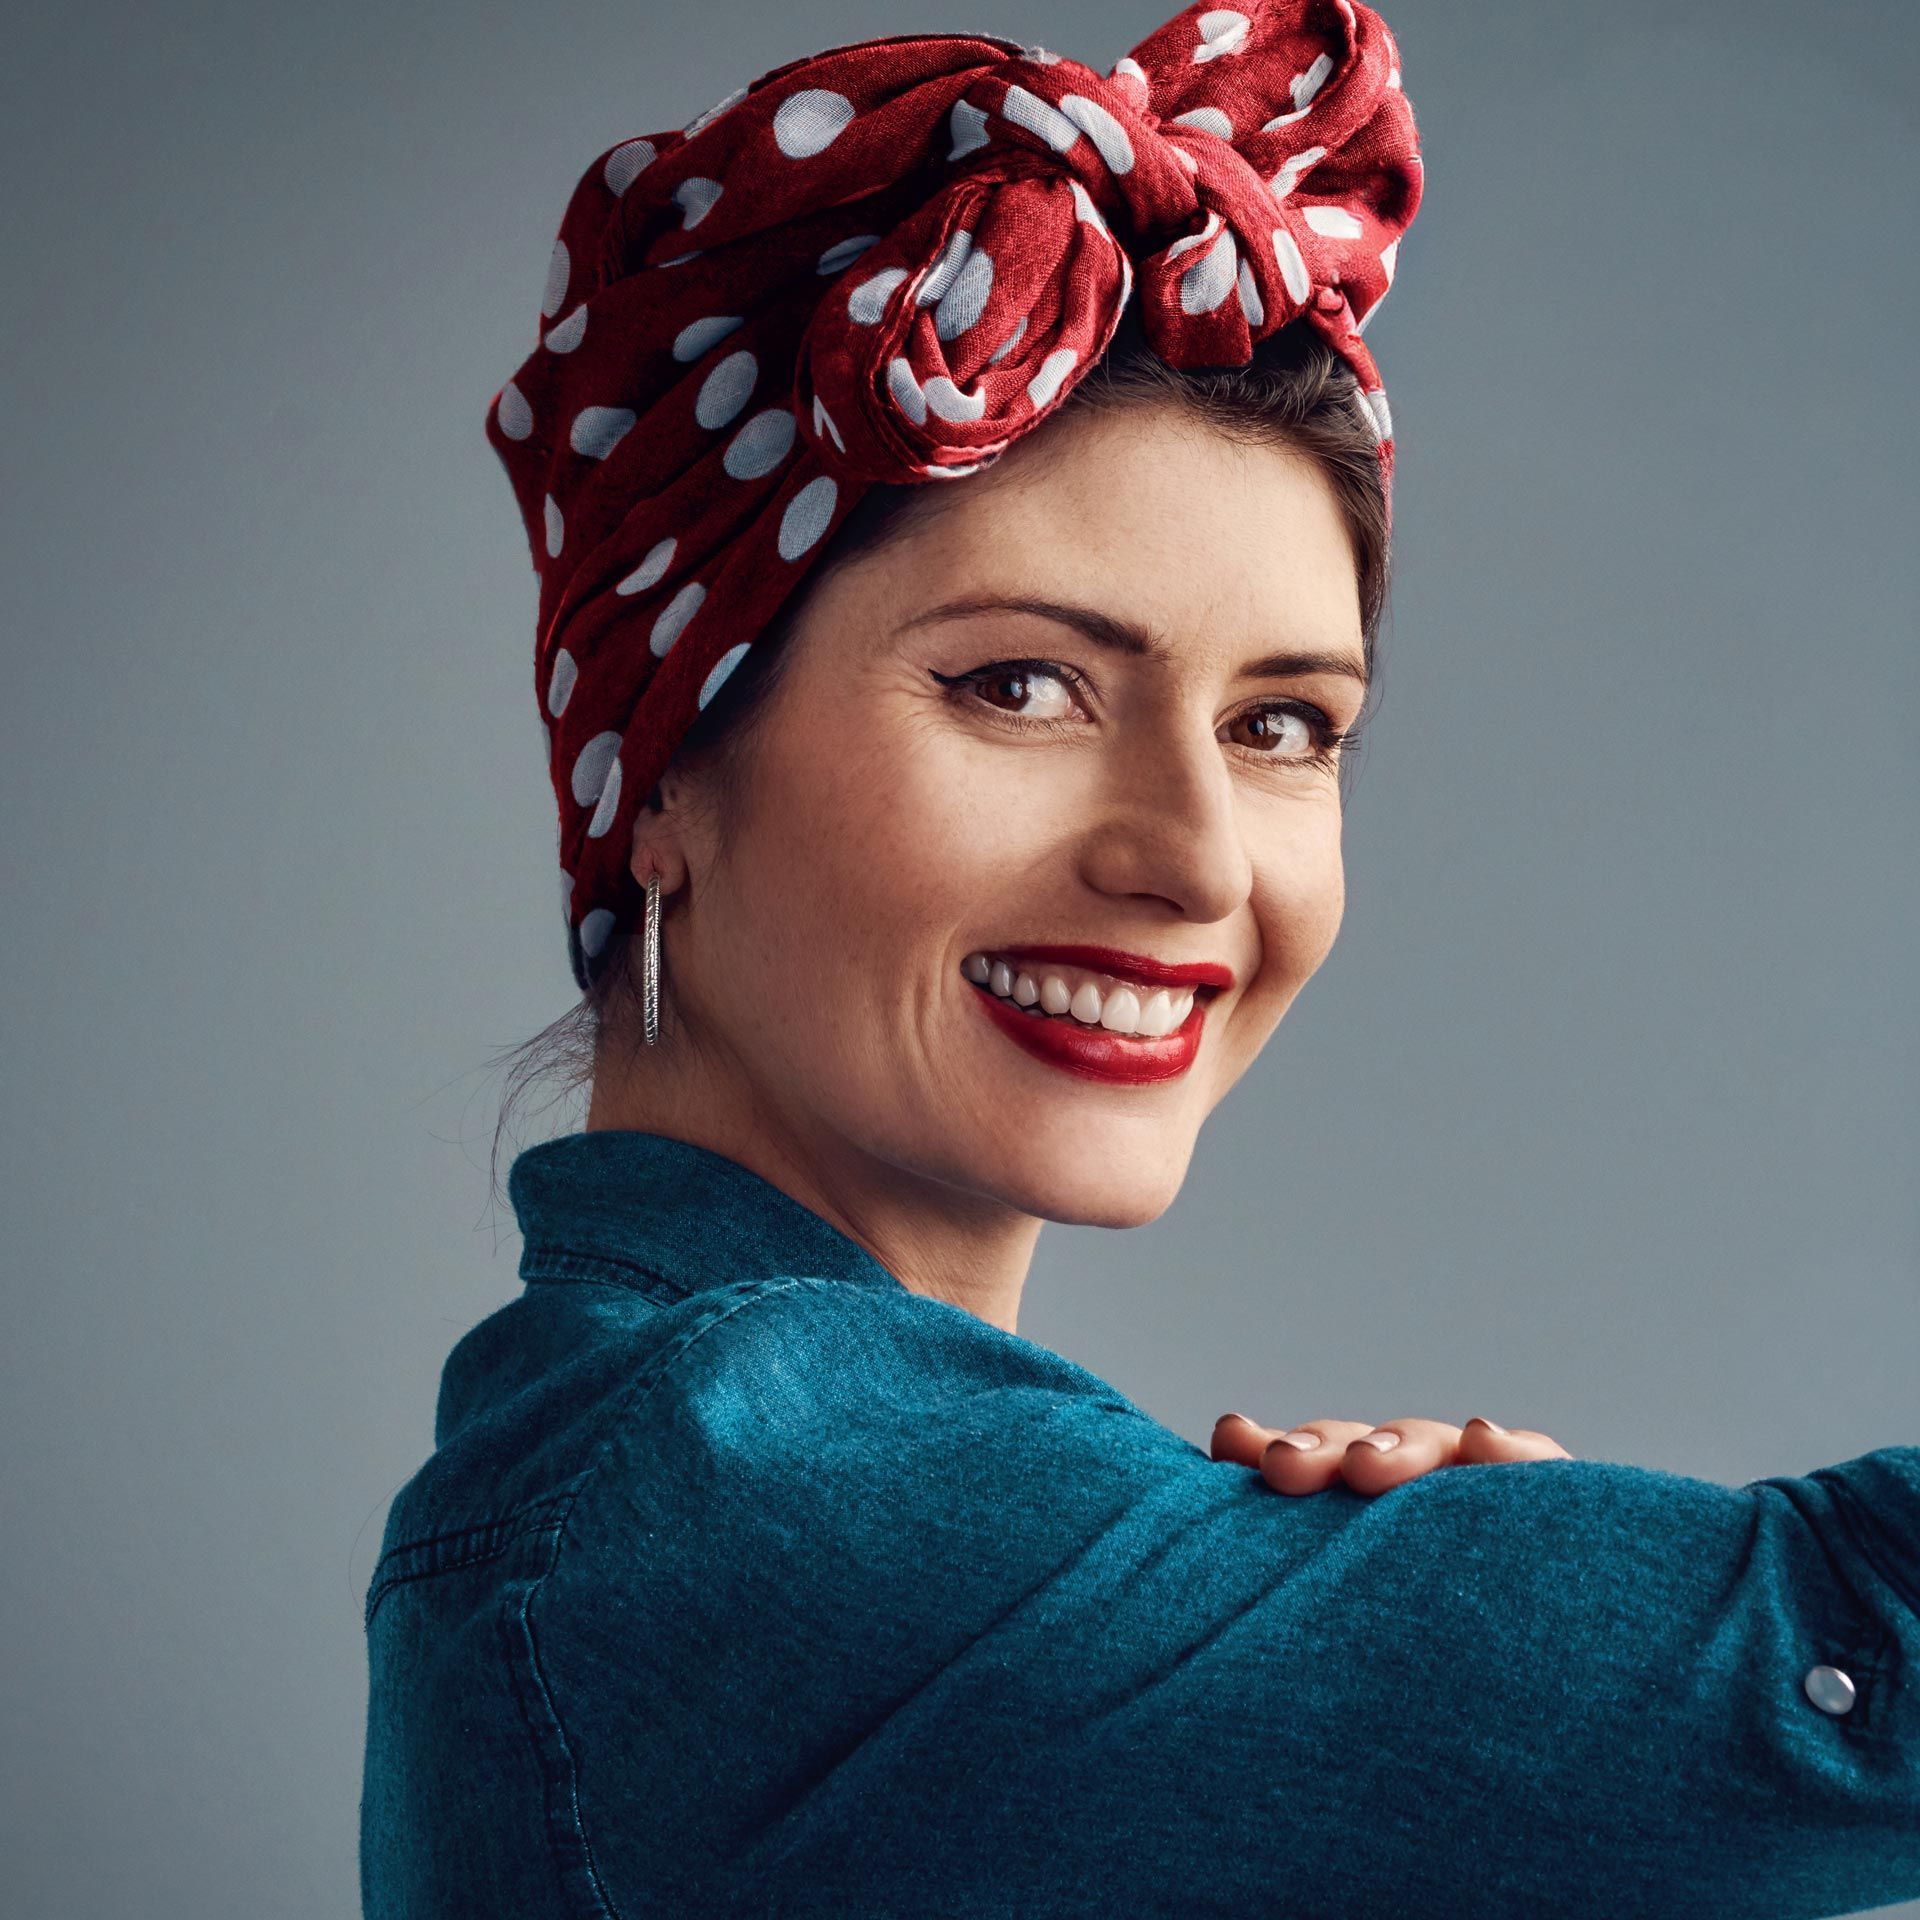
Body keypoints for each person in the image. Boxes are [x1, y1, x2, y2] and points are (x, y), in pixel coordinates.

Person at [359, 5, 1920, 1914]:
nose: (1192, 859)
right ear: (669, 765)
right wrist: (1584, 1655)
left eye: (1283, 726)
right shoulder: (745, 1492)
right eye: (1022, 686)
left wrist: (1480, 1693)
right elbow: (1869, 1657)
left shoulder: (692, 1485)